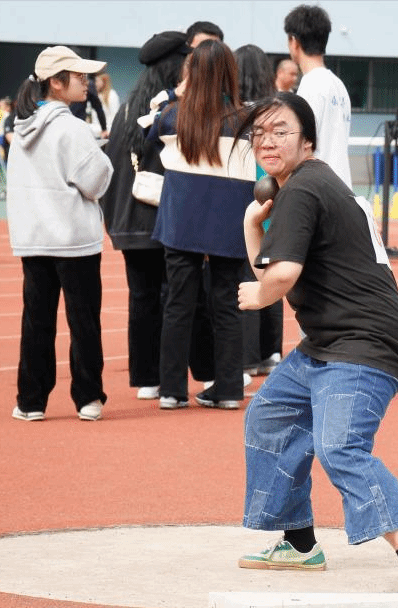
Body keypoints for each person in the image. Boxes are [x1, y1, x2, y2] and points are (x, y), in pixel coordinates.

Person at [233, 92, 398, 593]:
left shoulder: (304, 188)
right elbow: (272, 271)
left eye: (281, 131)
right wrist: (251, 227)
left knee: (340, 446)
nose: (267, 141)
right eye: (259, 133)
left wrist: (260, 296)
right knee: (271, 416)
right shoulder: (305, 184)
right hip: (329, 341)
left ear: (307, 141)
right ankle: (300, 543)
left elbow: (278, 277)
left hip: (366, 342)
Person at [6, 46, 113, 422]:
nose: (87, 83)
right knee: (84, 322)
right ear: (56, 82)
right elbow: (96, 181)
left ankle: (30, 401)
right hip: (74, 240)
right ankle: (88, 397)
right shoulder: (72, 128)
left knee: (36, 321)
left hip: (34, 238)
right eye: (80, 76)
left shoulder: (21, 129)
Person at [149, 39, 254, 411]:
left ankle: (171, 390)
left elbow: (148, 134)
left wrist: (174, 94)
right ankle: (228, 390)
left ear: (191, 73)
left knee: (178, 304)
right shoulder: (246, 119)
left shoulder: (172, 115)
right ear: (230, 73)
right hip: (230, 218)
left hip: (181, 219)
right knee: (226, 305)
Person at [101, 31, 191, 401]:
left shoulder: (125, 110)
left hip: (128, 219)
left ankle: (146, 378)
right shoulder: (171, 109)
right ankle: (171, 379)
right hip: (161, 217)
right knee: (174, 299)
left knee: (141, 299)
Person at [235, 43, 285, 378]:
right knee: (272, 275)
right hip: (275, 200)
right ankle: (271, 351)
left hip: (246, 201)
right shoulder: (277, 112)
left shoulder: (237, 117)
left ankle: (248, 356)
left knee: (246, 277)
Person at [284, 4, 353, 189]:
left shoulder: (310, 86)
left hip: (320, 190)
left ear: (294, 41)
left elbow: (302, 147)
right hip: (341, 187)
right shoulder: (338, 85)